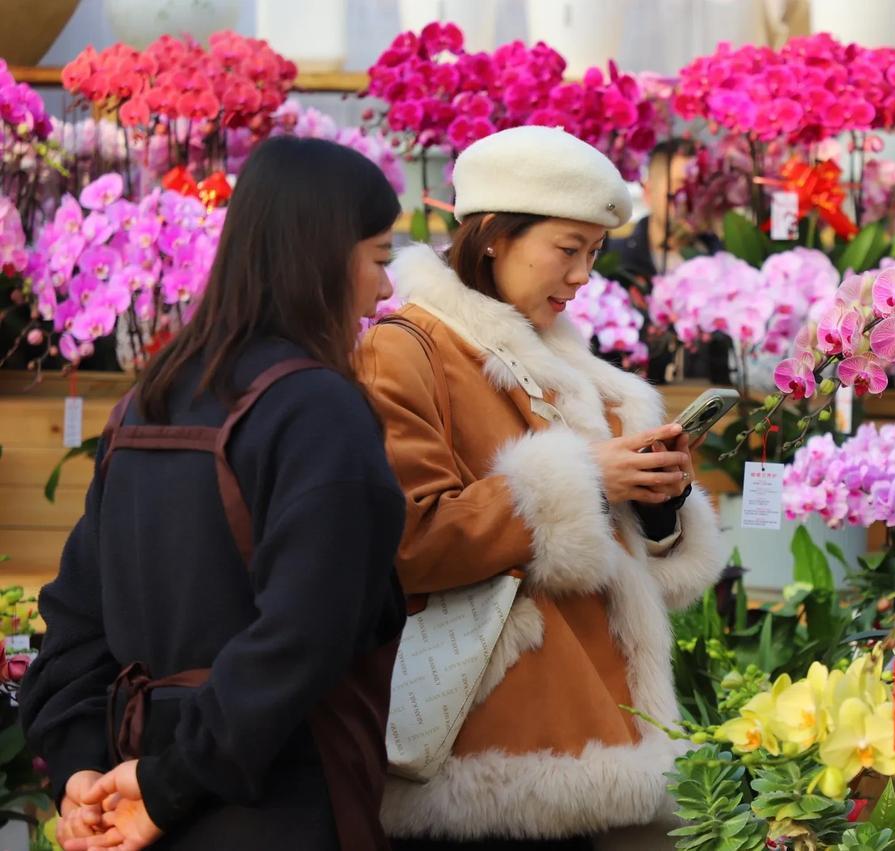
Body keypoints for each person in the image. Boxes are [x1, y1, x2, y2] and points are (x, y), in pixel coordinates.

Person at [20, 136, 408, 851]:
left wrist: (79, 772)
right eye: (380, 258)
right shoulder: (318, 409)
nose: (385, 289)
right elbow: (302, 635)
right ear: (321, 253)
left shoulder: (147, 402)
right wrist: (166, 783)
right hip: (272, 803)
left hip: (128, 800)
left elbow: (72, 619)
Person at [358, 126, 725, 850]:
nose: (584, 273)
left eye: (593, 252)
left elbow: (624, 556)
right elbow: (412, 538)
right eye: (568, 248)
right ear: (493, 234)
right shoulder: (405, 349)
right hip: (489, 748)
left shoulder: (565, 359)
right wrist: (583, 478)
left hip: (598, 729)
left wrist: (658, 501)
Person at [612, 139, 726, 384]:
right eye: (681, 188)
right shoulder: (614, 264)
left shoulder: (728, 266)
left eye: (701, 188)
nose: (692, 199)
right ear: (648, 191)